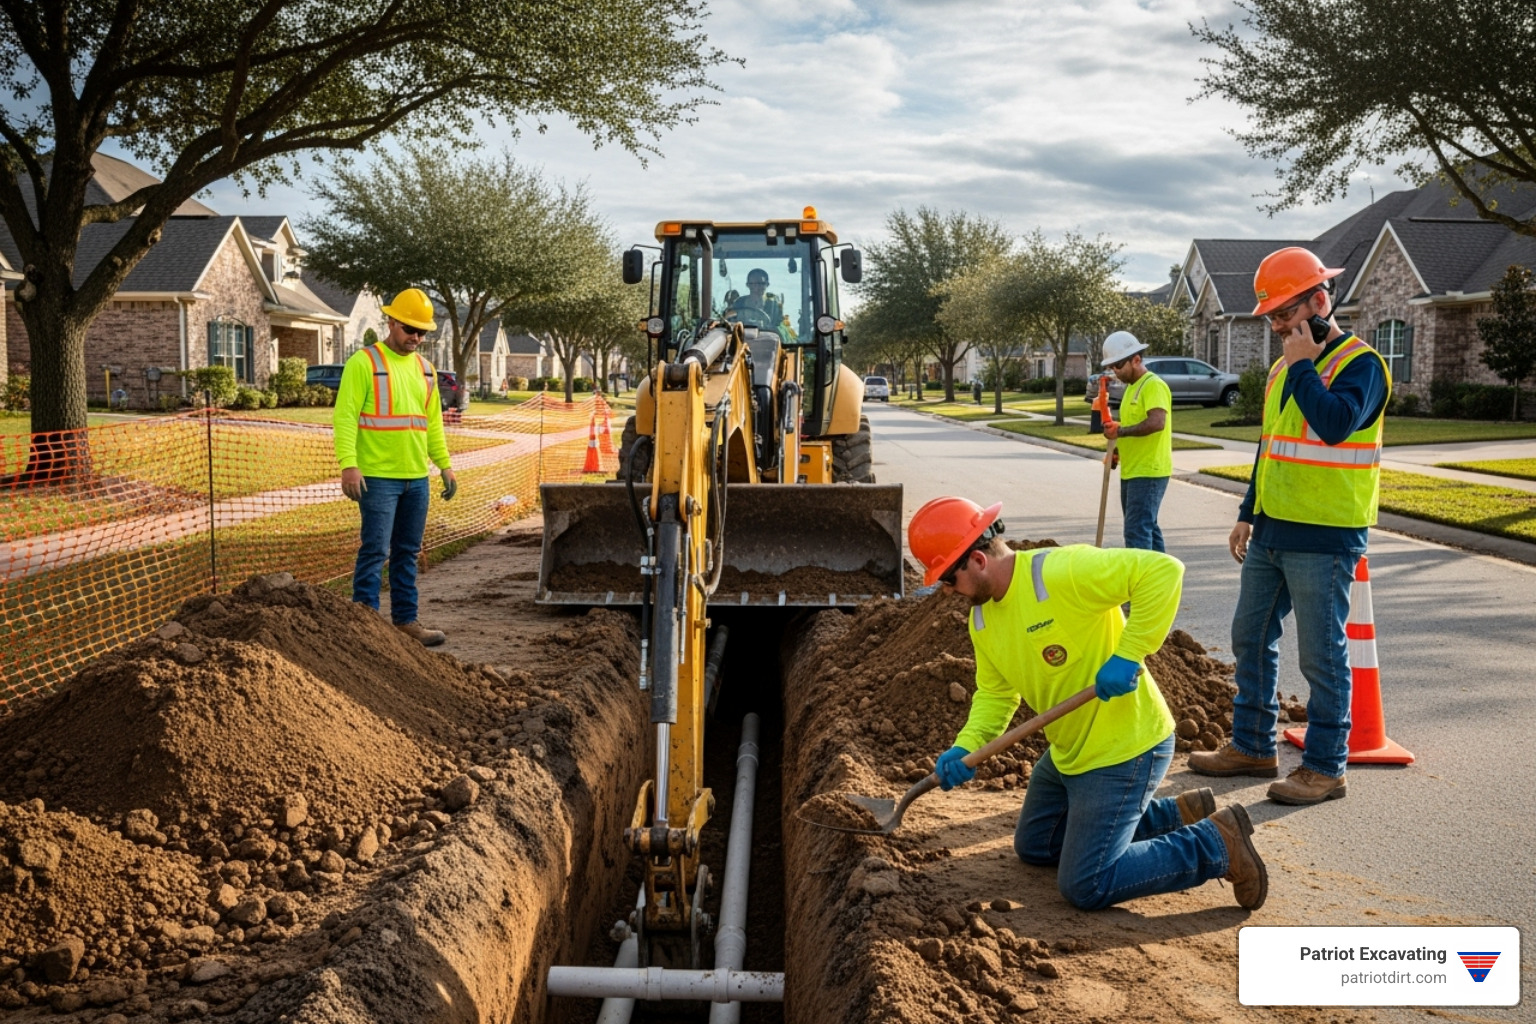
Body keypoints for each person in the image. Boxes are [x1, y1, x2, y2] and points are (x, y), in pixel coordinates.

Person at [909, 496, 1268, 911]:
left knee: (1086, 882)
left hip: (1125, 747)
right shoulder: (983, 619)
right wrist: (966, 747)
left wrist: (1128, 655)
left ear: (977, 559)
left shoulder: (1059, 572)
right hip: (1069, 752)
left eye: (948, 580)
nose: (946, 591)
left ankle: (1215, 843)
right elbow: (995, 693)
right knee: (1036, 845)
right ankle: (1170, 816)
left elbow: (1163, 571)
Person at [1189, 247, 1390, 805]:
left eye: (1284, 314)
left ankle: (1326, 767)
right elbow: (1271, 448)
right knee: (1249, 636)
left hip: (1325, 536)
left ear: (1320, 301)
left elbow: (1333, 426)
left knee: (1321, 655)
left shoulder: (1362, 365)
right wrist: (1246, 511)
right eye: (1272, 317)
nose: (1277, 326)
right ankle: (1253, 744)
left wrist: (1304, 364)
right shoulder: (1283, 367)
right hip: (1272, 530)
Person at [333, 288, 458, 647]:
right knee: (375, 550)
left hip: (416, 479)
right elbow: (345, 417)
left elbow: (431, 425)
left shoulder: (427, 371)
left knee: (407, 552)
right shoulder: (365, 363)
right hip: (376, 478)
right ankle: (366, 627)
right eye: (409, 329)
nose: (415, 338)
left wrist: (445, 467)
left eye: (422, 333)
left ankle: (405, 622)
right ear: (391, 322)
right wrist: (349, 466)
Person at [1100, 331, 1172, 552]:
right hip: (1133, 470)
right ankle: (1161, 579)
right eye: (1111, 367)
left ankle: (1141, 581)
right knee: (1148, 527)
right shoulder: (1132, 387)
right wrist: (1118, 451)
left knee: (1136, 530)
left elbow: (1156, 423)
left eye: (1118, 365)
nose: (1115, 372)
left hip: (1149, 471)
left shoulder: (1153, 385)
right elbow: (1131, 424)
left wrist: (1120, 433)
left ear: (1136, 359)